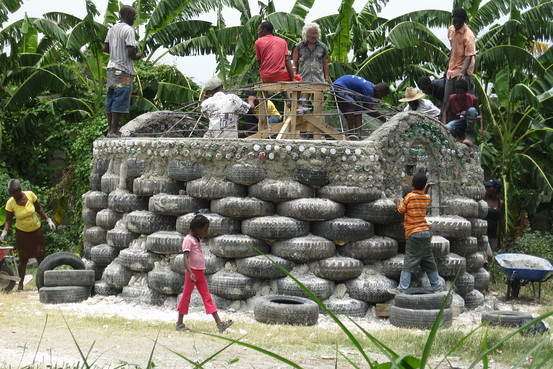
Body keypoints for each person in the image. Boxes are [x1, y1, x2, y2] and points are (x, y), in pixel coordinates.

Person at [175, 214, 233, 333]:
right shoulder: (188, 239)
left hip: (199, 273)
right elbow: (185, 258)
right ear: (197, 228)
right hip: (192, 273)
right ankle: (179, 323)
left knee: (207, 297)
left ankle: (219, 323)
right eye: (205, 230)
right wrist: (190, 272)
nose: (206, 233)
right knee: (186, 297)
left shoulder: (196, 239)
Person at [389, 172, 442, 294]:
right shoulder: (426, 198)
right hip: (425, 232)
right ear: (423, 186)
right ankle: (436, 287)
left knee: (410, 261)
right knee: (429, 261)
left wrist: (396, 201)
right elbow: (423, 195)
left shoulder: (409, 197)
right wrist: (427, 188)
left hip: (414, 233)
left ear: (412, 184)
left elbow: (401, 210)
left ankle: (402, 288)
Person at [1, 179, 56, 291]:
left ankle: (42, 282)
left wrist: (48, 220)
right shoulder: (10, 203)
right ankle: (20, 286)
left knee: (40, 256)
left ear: (19, 191)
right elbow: (8, 220)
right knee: (23, 259)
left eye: (14, 193)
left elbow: (39, 208)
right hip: (22, 232)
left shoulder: (30, 195)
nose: (12, 196)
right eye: (11, 193)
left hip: (36, 230)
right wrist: (5, 232)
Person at [104, 5, 143, 137]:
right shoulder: (128, 30)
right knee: (120, 99)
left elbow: (106, 48)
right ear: (126, 15)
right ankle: (114, 130)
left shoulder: (111, 29)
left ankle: (110, 130)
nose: (134, 18)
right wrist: (137, 56)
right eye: (134, 16)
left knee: (111, 98)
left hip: (111, 68)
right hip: (123, 69)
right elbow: (131, 52)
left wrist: (116, 52)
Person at [255, 21, 302, 109]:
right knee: (298, 79)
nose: (258, 33)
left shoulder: (258, 42)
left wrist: (264, 75)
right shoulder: (282, 41)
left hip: (265, 76)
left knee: (281, 77)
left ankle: (288, 99)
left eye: (259, 30)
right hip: (277, 75)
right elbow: (287, 60)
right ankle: (296, 104)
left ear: (264, 31)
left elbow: (259, 62)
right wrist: (293, 78)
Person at [443, 8, 476, 118]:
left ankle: (468, 128)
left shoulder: (469, 35)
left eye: (459, 22)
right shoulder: (451, 30)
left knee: (466, 102)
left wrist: (462, 73)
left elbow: (469, 56)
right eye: (454, 21)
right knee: (448, 100)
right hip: (452, 69)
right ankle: (446, 127)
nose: (456, 24)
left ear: (464, 21)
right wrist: (447, 67)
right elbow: (452, 49)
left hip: (463, 69)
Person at [442, 79, 482, 145]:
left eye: (461, 93)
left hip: (469, 121)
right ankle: (457, 137)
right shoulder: (452, 98)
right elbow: (445, 112)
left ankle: (469, 135)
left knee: (472, 110)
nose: (459, 95)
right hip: (458, 122)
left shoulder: (472, 99)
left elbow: (479, 113)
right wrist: (443, 125)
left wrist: (481, 128)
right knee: (447, 128)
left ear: (466, 91)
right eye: (457, 93)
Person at [483, 178, 504, 260]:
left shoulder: (500, 203)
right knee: (489, 255)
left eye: (489, 187)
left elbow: (501, 219)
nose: (487, 189)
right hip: (484, 234)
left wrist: (504, 234)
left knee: (490, 259)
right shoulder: (484, 201)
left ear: (495, 189)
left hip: (493, 235)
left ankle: (487, 272)